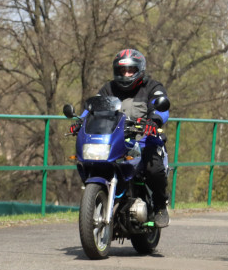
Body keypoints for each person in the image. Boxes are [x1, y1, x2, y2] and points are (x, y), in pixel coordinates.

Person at [72, 48, 172, 228]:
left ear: (139, 70)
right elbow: (92, 107)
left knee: (153, 169)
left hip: (144, 140)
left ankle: (159, 206)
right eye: (122, 71)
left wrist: (154, 120)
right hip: (117, 140)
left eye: (130, 70)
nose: (126, 74)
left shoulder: (151, 87)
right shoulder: (108, 88)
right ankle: (102, 197)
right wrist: (81, 121)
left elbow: (162, 108)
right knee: (91, 161)